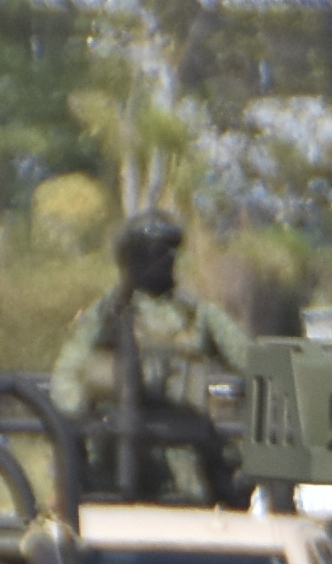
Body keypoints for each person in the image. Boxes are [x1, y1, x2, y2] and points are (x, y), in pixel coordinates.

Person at [53, 210, 253, 500]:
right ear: (128, 257)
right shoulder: (108, 314)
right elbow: (67, 375)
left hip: (188, 462)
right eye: (148, 251)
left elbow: (251, 362)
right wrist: (86, 422)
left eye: (167, 250)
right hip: (117, 463)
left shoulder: (198, 315)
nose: (160, 259)